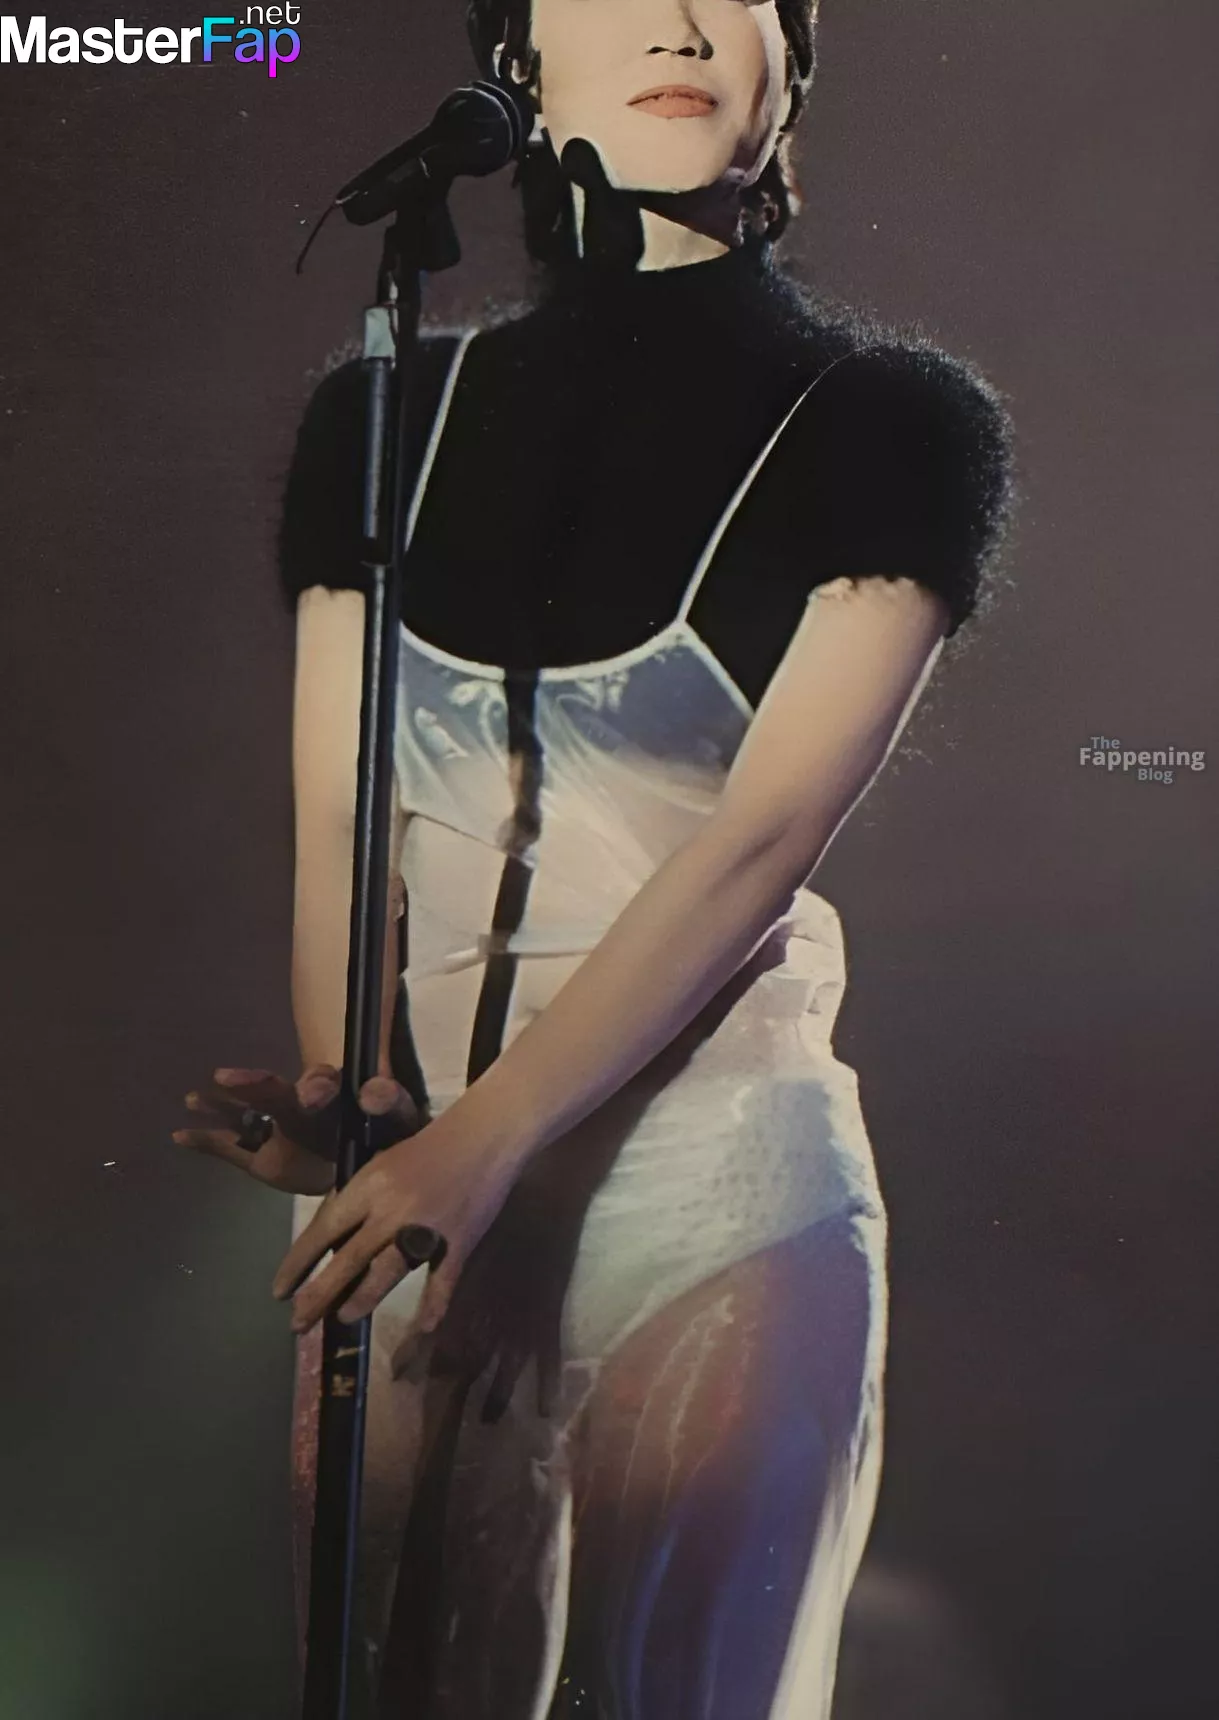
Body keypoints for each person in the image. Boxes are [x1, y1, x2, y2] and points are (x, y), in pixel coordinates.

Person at [175, 0, 1013, 1712]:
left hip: (705, 1191)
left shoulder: (892, 421)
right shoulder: (381, 413)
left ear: (787, 74)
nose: (684, 24)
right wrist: (354, 1109)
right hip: (424, 1200)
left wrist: (476, 1147)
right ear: (518, 61)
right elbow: (342, 813)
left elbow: (758, 842)